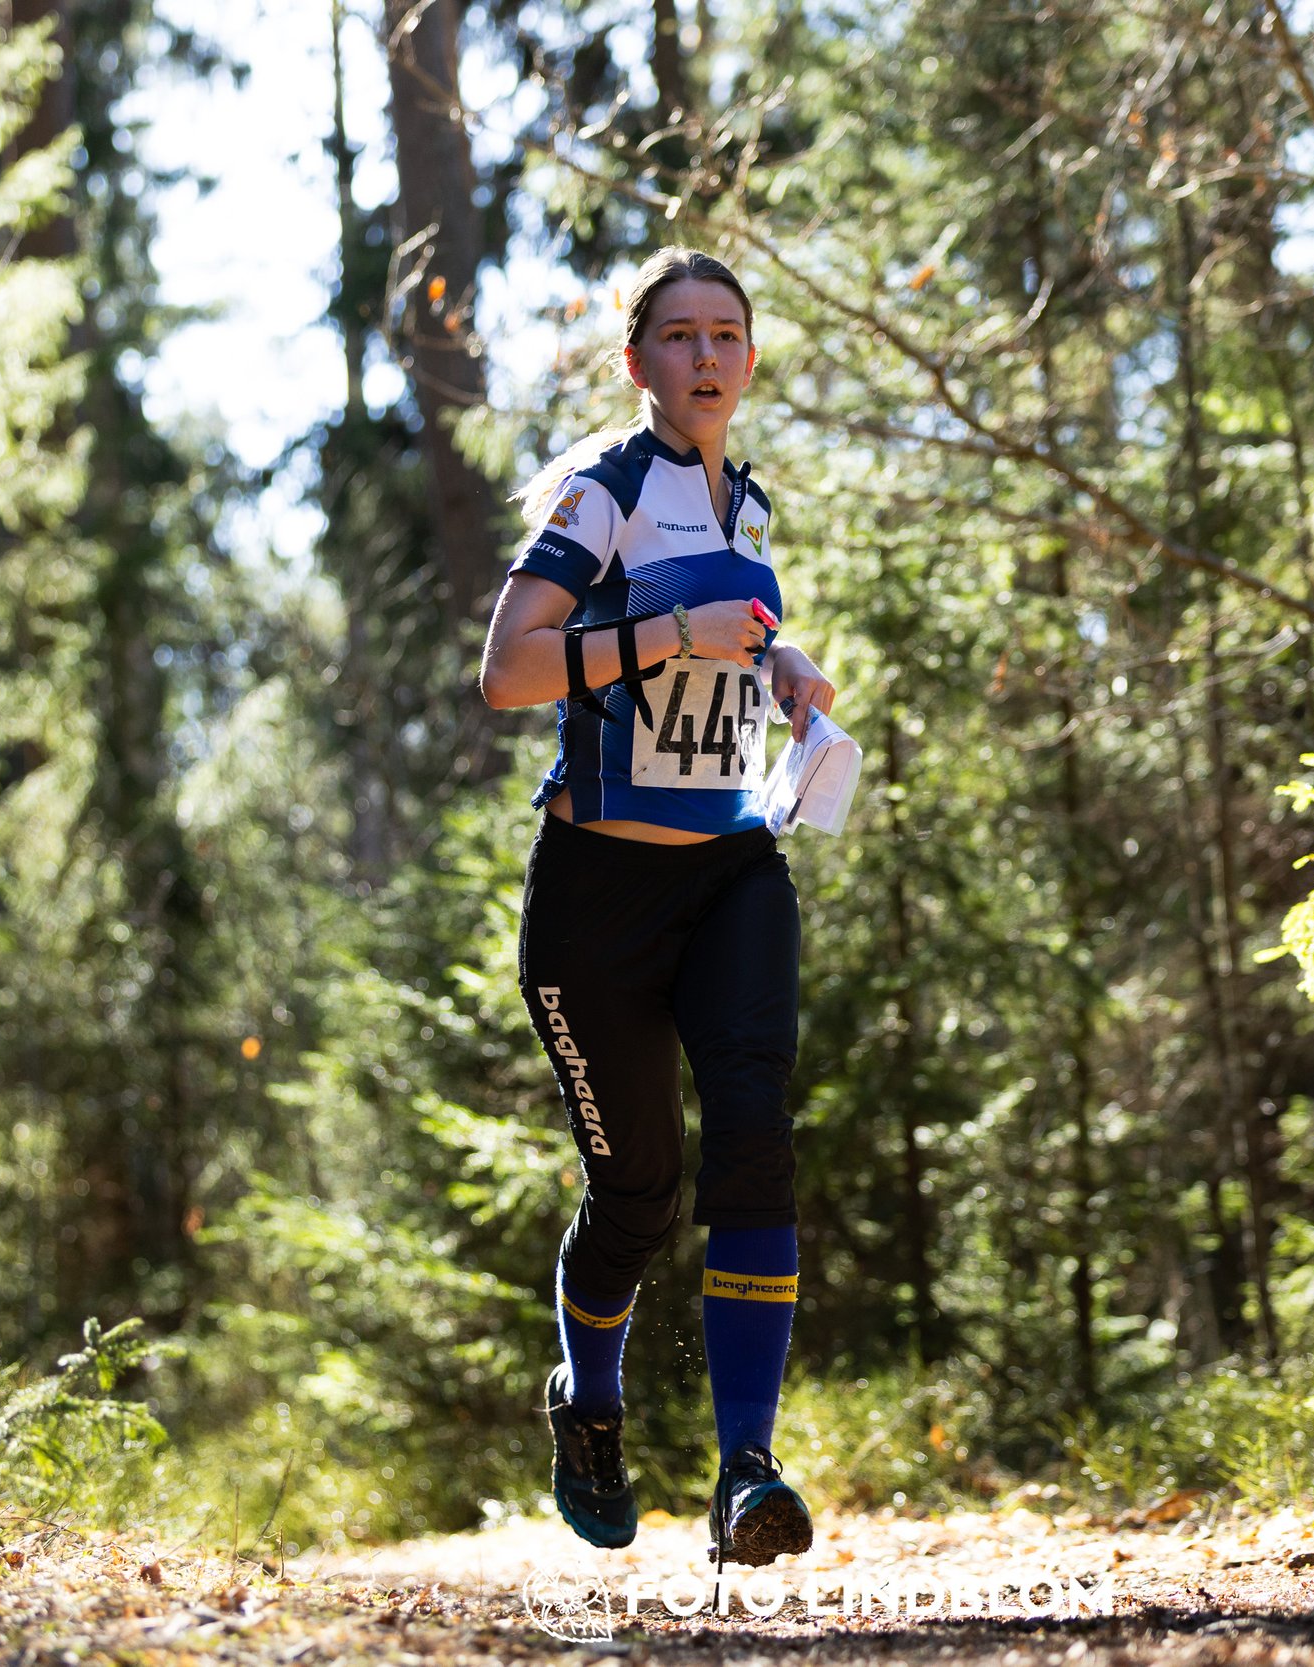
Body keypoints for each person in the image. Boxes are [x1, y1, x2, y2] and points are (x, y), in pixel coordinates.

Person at [479, 246, 837, 1569]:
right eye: (677, 336)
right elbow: (508, 672)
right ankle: (591, 1401)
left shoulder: (747, 504)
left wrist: (785, 662)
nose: (704, 357)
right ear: (637, 362)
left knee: (754, 1129)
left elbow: (731, 635)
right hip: (597, 895)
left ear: (748, 359)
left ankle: (748, 1465)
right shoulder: (606, 491)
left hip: (731, 866)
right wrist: (663, 638)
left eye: (726, 336)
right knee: (635, 1190)